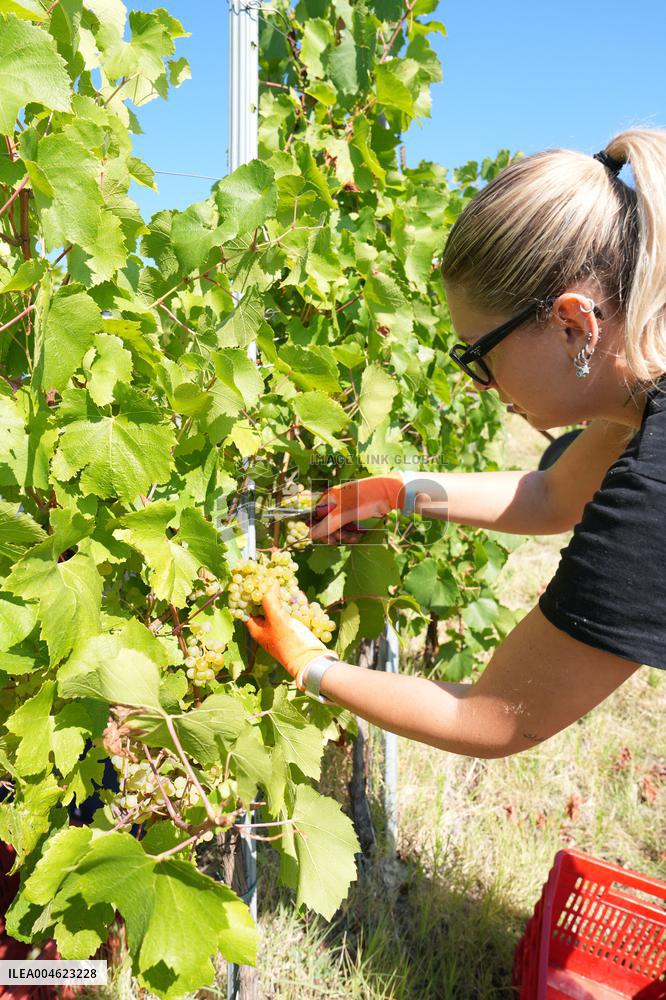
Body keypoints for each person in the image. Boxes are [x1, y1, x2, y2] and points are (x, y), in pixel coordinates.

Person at [247, 127, 666, 760]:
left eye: (480, 355)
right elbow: (553, 494)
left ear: (574, 323)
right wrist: (398, 492)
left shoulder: (657, 486)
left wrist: (310, 664)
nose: (480, 385)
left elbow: (490, 720)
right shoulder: (645, 400)